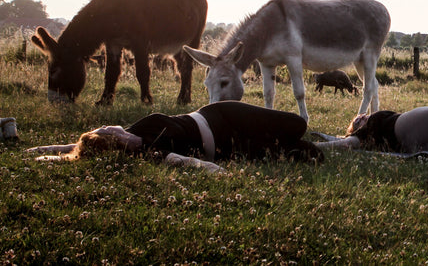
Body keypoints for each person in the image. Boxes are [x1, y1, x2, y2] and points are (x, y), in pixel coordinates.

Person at [27, 101, 321, 171]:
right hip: (229, 147)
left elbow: (76, 146)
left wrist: (43, 150)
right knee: (311, 154)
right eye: (106, 130)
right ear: (113, 142)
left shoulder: (135, 130)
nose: (109, 125)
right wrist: (215, 169)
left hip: (220, 115)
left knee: (297, 124)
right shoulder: (147, 152)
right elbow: (184, 161)